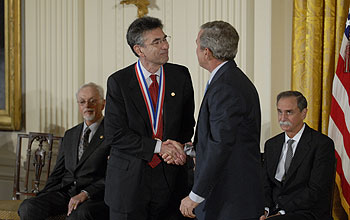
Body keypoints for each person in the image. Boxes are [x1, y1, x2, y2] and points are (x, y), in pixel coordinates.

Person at [104, 16, 195, 220]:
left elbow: (187, 124)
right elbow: (115, 134)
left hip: (170, 177)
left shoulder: (180, 76)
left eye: (164, 39)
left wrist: (175, 148)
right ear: (139, 50)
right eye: (157, 42)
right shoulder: (119, 82)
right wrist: (158, 147)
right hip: (129, 182)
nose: (165, 45)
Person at [178, 21, 264, 220]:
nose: (196, 50)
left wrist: (195, 195)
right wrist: (188, 149)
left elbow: (221, 145)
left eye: (196, 44)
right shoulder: (231, 78)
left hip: (229, 198)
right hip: (232, 196)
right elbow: (225, 137)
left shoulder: (226, 86)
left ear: (206, 52)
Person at [18, 82, 110, 220]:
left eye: (93, 101)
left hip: (94, 197)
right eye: (82, 102)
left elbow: (113, 175)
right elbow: (58, 172)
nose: (87, 106)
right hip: (65, 193)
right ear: (79, 105)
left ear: (103, 104)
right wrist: (43, 195)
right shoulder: (70, 134)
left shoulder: (112, 133)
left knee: (78, 215)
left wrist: (86, 193)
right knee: (28, 207)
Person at [260, 91, 335, 220]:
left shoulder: (321, 144)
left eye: (289, 112)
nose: (282, 118)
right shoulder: (271, 144)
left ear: (303, 113)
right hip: (273, 210)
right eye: (279, 111)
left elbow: (316, 190)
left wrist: (282, 211)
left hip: (306, 211)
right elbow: (265, 184)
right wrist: (266, 210)